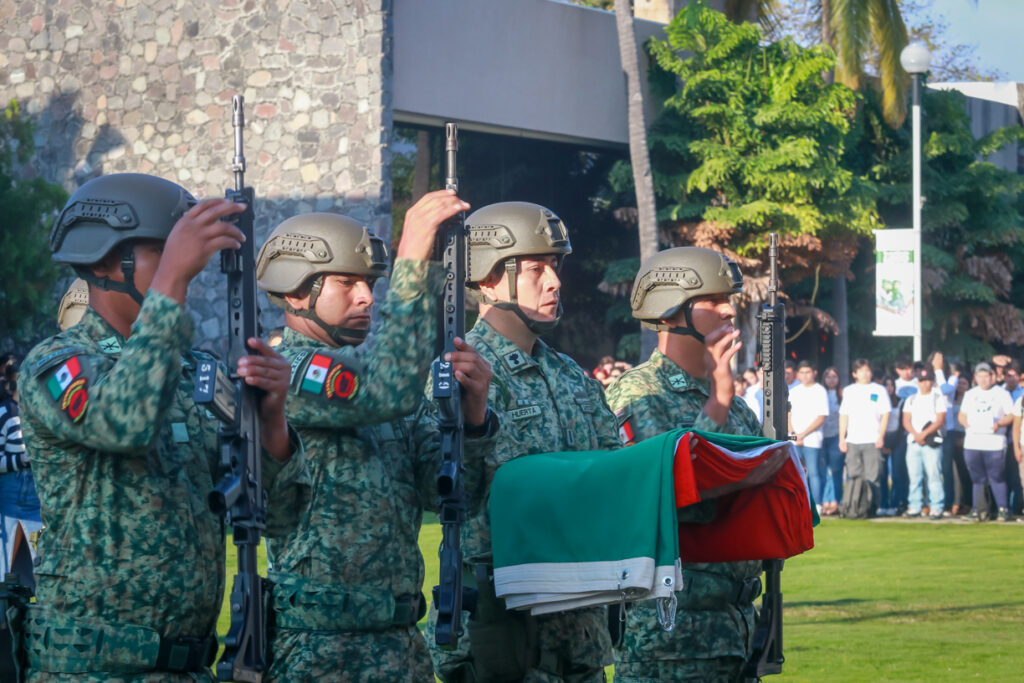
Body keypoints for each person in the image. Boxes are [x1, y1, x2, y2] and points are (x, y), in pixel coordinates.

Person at [18, 173, 310, 680]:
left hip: (189, 668)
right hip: (93, 670)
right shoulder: (58, 363)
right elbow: (121, 422)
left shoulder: (195, 371)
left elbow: (280, 519)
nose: (187, 271)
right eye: (163, 251)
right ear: (106, 261)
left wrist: (272, 423)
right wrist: (171, 279)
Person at [254, 196, 498, 682]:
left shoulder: (377, 387)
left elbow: (450, 495)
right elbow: (386, 390)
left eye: (370, 283)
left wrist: (473, 420)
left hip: (400, 643)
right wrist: (412, 261)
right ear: (296, 291)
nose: (366, 296)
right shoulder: (290, 370)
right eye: (347, 282)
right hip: (322, 652)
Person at [424, 201, 618, 683]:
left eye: (555, 267)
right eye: (535, 268)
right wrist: (473, 420)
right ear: (488, 279)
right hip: (503, 636)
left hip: (579, 637)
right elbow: (444, 493)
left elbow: (615, 476)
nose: (554, 282)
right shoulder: (458, 375)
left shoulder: (572, 377)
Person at [604, 247, 786, 683]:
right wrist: (717, 405)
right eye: (712, 299)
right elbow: (658, 501)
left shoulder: (739, 408)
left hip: (737, 631)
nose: (729, 308)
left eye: (730, 297)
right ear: (670, 311)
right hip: (667, 640)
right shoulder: (635, 396)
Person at [0, 355, 40, 580]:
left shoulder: (37, 411)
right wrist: (21, 461)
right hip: (9, 501)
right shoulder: (4, 414)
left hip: (35, 501)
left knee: (39, 558)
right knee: (3, 563)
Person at [959, 362, 1015, 521]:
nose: (983, 379)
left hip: (994, 441)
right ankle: (978, 509)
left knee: (996, 476)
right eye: (980, 376)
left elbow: (1011, 415)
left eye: (986, 376)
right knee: (977, 478)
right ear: (975, 377)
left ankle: (1003, 509)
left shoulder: (1001, 393)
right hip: (973, 440)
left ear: (992, 376)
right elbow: (962, 415)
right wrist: (967, 424)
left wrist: (999, 424)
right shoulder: (970, 394)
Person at [838, 359, 890, 516]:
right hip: (853, 440)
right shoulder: (849, 391)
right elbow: (844, 415)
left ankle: (872, 508)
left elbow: (886, 414)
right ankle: (854, 507)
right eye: (861, 371)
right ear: (855, 374)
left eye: (867, 370)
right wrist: (842, 438)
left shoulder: (879, 390)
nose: (865, 374)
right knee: (854, 476)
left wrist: (881, 436)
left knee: (873, 477)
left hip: (872, 440)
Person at [901, 367, 947, 519]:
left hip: (931, 442)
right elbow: (906, 420)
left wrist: (923, 434)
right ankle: (914, 506)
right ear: (917, 382)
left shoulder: (938, 398)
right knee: (914, 477)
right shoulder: (911, 399)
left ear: (932, 382)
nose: (924, 384)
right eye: (921, 381)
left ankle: (936, 506)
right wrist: (916, 435)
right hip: (913, 442)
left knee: (933, 476)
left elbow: (940, 420)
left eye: (927, 380)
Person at [788, 361, 828, 513]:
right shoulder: (794, 391)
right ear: (798, 374)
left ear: (814, 373)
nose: (805, 375)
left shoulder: (820, 391)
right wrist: (793, 434)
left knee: (813, 472)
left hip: (812, 439)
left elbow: (821, 417)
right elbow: (788, 415)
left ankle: (816, 504)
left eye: (808, 372)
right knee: (796, 473)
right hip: (794, 439)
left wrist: (803, 434)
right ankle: (797, 502)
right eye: (802, 372)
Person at [819, 366, 844, 515]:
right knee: (824, 470)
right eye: (828, 376)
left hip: (836, 435)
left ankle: (835, 500)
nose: (831, 379)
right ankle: (825, 501)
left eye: (834, 376)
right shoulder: (820, 393)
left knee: (835, 470)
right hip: (822, 435)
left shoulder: (843, 394)